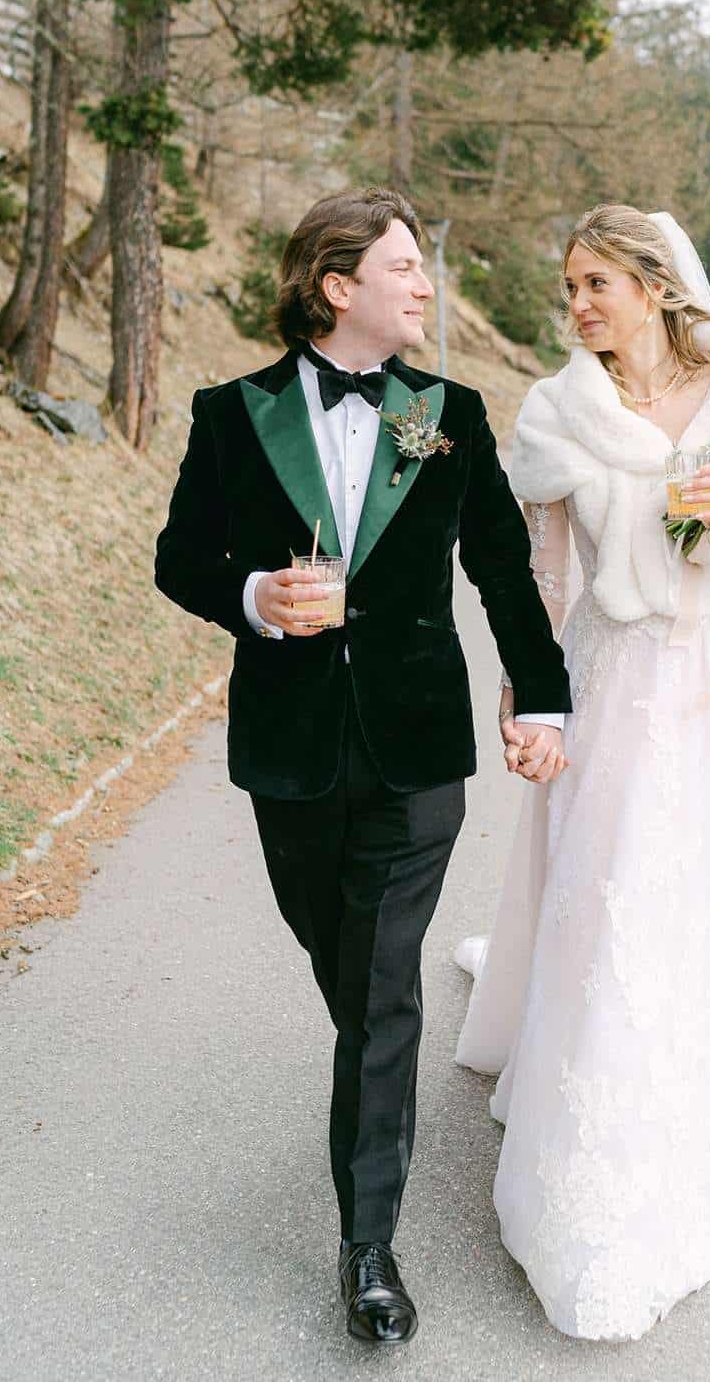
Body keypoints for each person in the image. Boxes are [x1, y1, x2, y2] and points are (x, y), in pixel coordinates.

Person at [155, 187, 571, 1347]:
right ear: (338, 286)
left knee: (383, 982)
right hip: (287, 751)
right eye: (403, 268)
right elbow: (182, 558)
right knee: (342, 965)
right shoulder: (230, 413)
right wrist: (250, 597)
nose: (425, 287)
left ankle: (368, 1246)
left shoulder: (449, 413)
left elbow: (500, 565)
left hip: (417, 750)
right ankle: (375, 1082)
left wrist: (542, 696)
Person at [456, 204, 710, 1342]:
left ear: (653, 284)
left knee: (693, 898)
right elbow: (537, 580)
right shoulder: (555, 416)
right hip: (612, 681)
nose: (579, 303)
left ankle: (680, 1085)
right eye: (568, 285)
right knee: (609, 898)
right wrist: (526, 700)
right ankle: (582, 1129)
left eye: (597, 281)